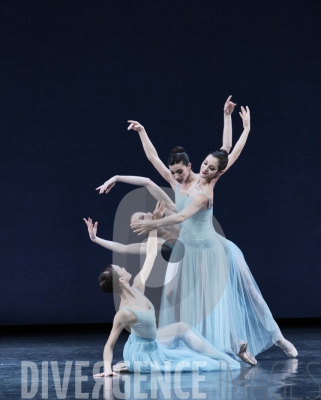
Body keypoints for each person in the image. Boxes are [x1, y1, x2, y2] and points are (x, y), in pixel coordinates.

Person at [129, 106, 297, 363]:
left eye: (209, 167)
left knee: (249, 292)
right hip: (190, 250)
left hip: (215, 248)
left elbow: (231, 153)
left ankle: (278, 337)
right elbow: (154, 159)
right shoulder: (177, 180)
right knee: (192, 299)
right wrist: (142, 132)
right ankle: (233, 345)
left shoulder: (206, 187)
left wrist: (248, 129)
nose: (205, 168)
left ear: (205, 170)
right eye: (205, 163)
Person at [88, 202, 240, 375]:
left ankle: (220, 357)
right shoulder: (124, 312)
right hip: (145, 355)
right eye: (120, 269)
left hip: (149, 341)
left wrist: (155, 223)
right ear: (121, 279)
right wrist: (107, 370)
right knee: (192, 364)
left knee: (182, 327)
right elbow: (109, 345)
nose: (123, 268)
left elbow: (152, 253)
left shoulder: (138, 285)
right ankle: (131, 362)